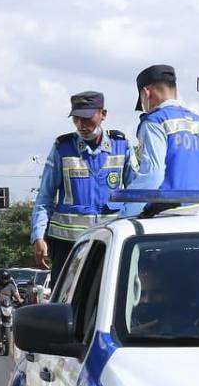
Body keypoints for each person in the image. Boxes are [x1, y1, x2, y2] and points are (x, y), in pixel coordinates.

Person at [32, 91, 130, 282]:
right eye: (76, 119)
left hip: (111, 240)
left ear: (103, 114)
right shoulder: (62, 147)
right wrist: (38, 236)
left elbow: (137, 193)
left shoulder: (122, 146)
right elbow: (45, 197)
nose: (81, 125)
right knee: (64, 302)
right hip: (68, 244)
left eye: (86, 118)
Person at [121, 65, 199, 216]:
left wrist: (126, 213)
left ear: (145, 93)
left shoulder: (155, 122)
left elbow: (153, 175)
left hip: (169, 223)